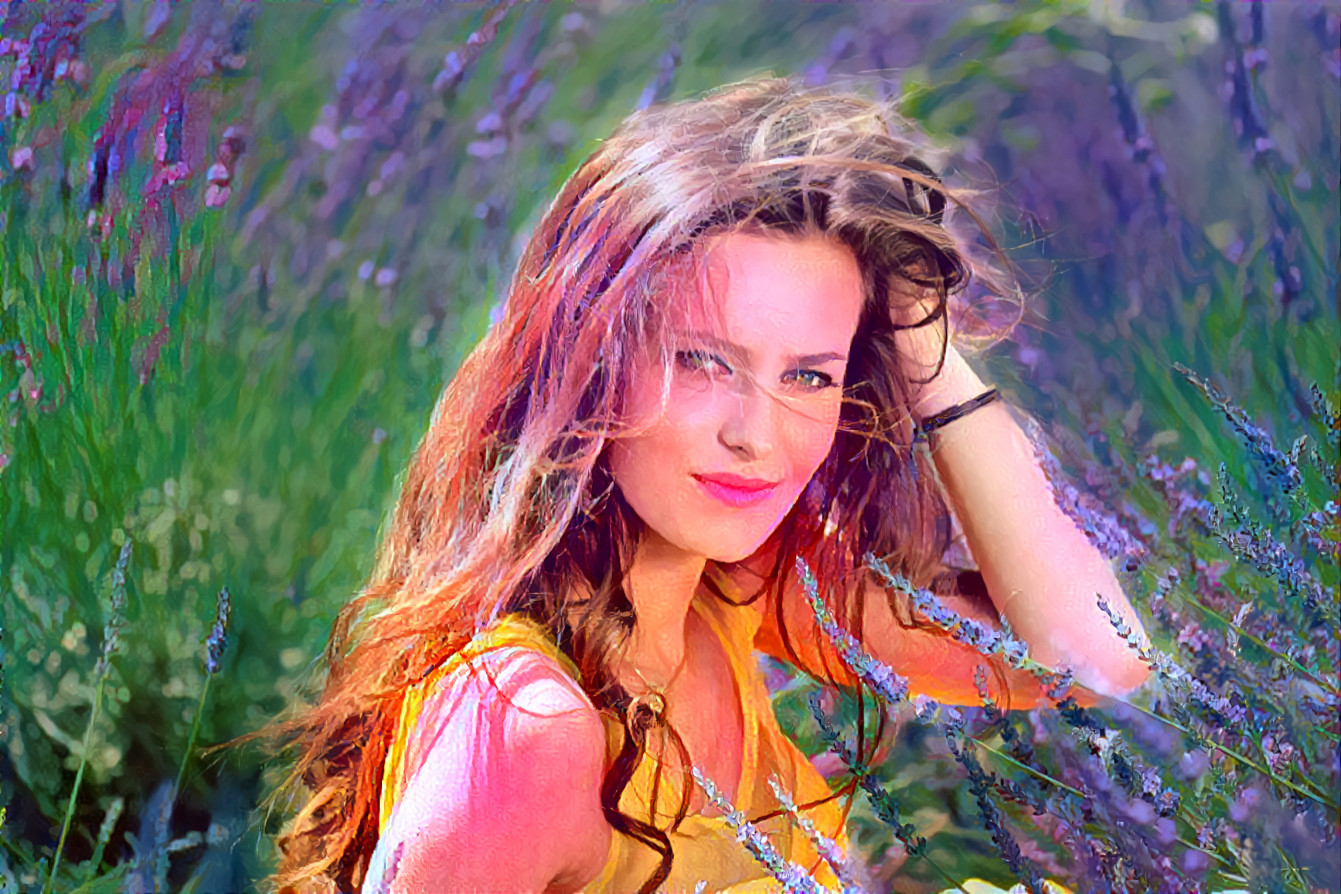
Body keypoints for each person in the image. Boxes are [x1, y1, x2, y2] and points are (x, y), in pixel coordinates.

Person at [265, 78, 1151, 893]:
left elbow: (1090, 665)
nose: (754, 434)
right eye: (700, 361)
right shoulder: (526, 727)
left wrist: (917, 339)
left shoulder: (737, 591)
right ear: (589, 357)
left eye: (808, 375)